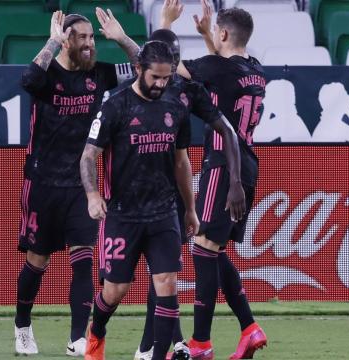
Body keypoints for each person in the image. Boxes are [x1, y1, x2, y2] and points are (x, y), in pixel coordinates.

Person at [81, 40, 243, 360]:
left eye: (166, 78)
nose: (161, 84)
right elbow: (88, 156)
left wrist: (191, 209)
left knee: (167, 285)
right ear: (139, 69)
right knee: (115, 291)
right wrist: (92, 195)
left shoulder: (176, 104)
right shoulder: (115, 104)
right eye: (155, 77)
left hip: (163, 213)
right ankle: (96, 331)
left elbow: (182, 161)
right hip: (122, 214)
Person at [15, 9, 139, 356]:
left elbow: (149, 68)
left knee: (84, 258)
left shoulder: (100, 74)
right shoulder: (46, 75)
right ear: (66, 40)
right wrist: (52, 40)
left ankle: (77, 338)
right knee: (37, 261)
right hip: (41, 182)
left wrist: (121, 38)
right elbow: (27, 79)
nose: (89, 43)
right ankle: (22, 325)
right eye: (82, 37)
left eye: (92, 37)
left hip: (82, 183)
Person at [164, 2, 268, 358]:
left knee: (202, 249)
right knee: (215, 251)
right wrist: (209, 35)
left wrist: (166, 24)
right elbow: (222, 71)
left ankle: (200, 343)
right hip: (248, 164)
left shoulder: (218, 68)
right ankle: (250, 328)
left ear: (224, 34)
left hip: (224, 166)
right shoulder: (254, 69)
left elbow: (164, 64)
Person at [134, 27, 245, 360]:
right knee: (132, 281)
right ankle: (158, 342)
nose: (168, 71)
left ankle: (164, 344)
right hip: (139, 193)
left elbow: (221, 127)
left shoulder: (185, 91)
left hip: (171, 193)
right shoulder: (145, 90)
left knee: (164, 272)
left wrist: (190, 204)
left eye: (175, 60)